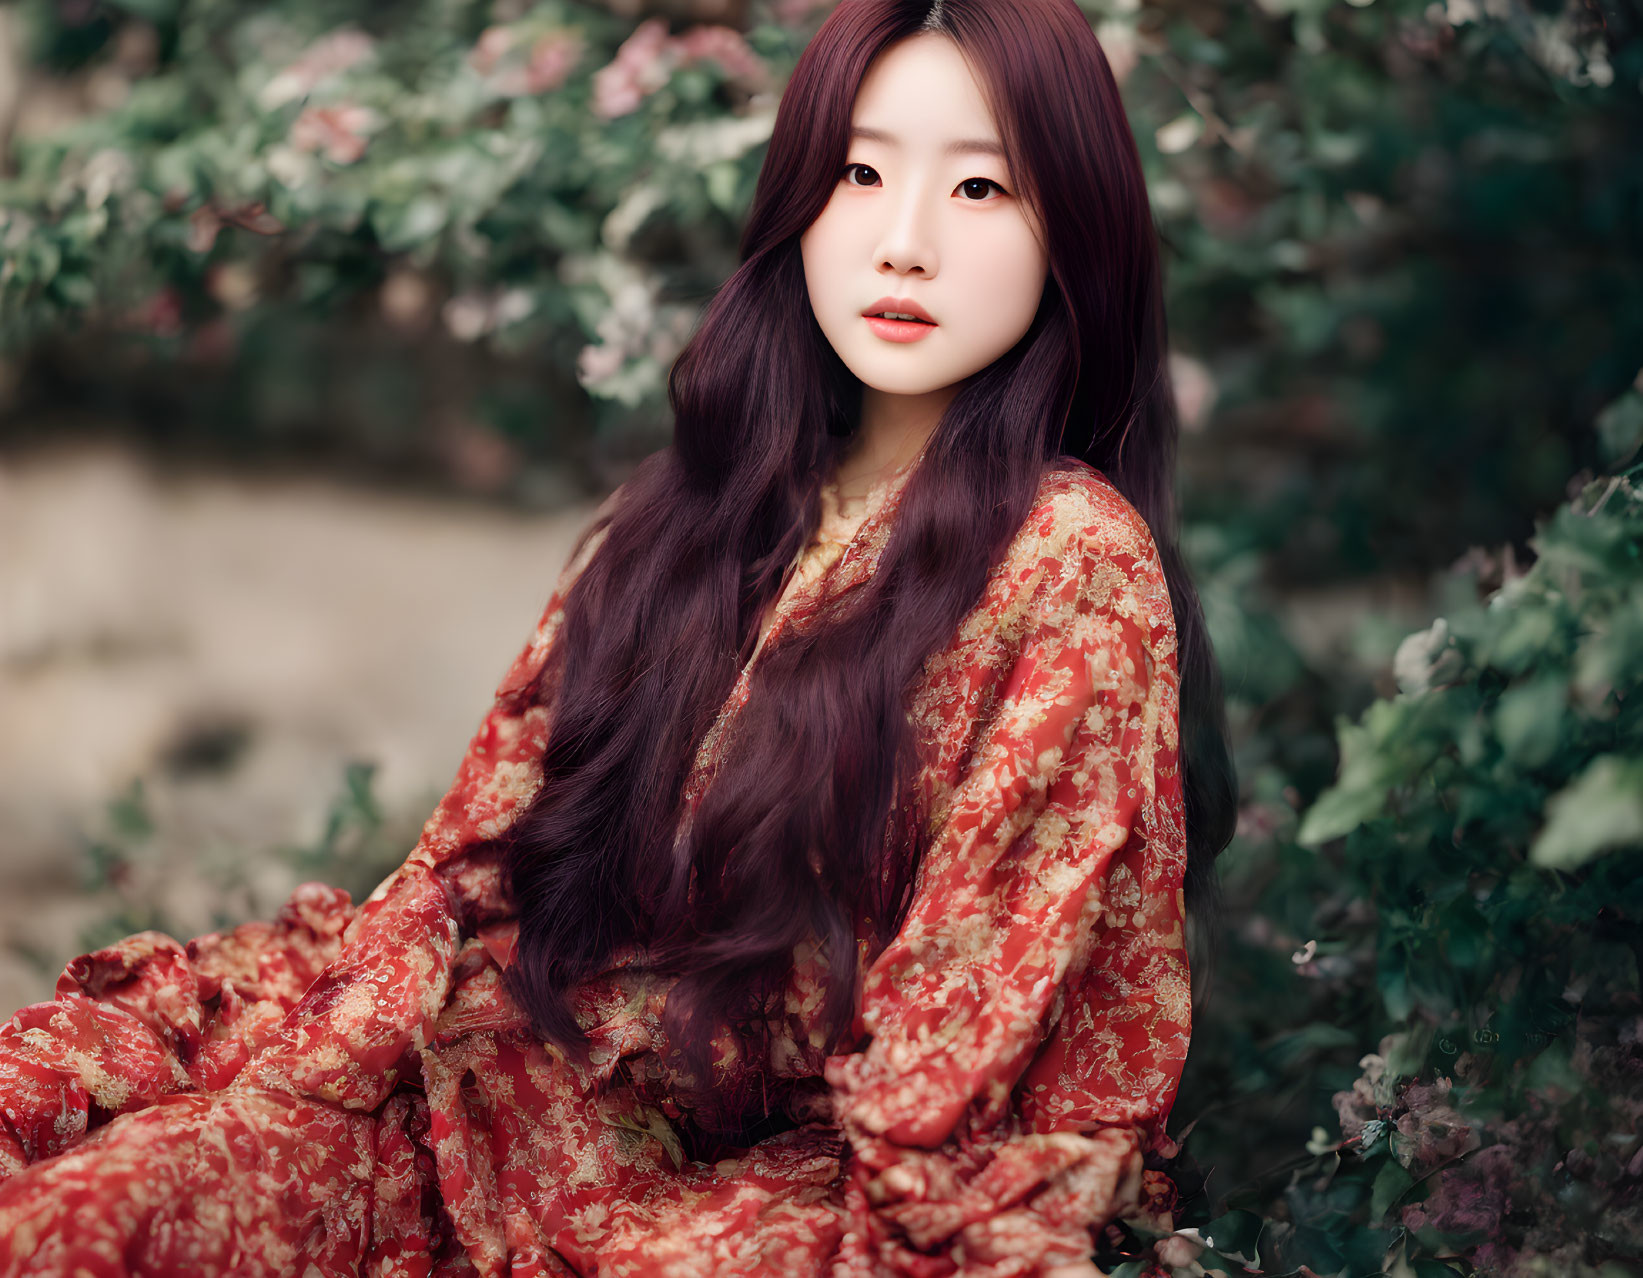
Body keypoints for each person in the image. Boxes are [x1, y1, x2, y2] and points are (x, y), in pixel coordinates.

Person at [0, 0, 1236, 1273]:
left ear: (1068, 231)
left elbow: (963, 1024)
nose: (904, 244)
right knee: (105, 1194)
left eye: (980, 188)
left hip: (761, 1183)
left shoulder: (1067, 560)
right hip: (494, 1082)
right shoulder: (710, 499)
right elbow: (477, 858)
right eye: (861, 172)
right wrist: (310, 1078)